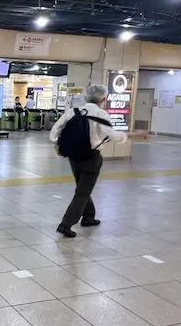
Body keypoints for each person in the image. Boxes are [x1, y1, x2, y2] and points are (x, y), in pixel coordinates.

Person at [49, 84, 130, 238]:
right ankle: (66, 224)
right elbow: (112, 135)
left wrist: (60, 144)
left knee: (82, 187)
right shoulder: (101, 114)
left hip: (74, 157)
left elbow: (54, 132)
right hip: (91, 157)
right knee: (82, 192)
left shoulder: (72, 112)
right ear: (103, 99)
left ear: (86, 97)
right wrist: (124, 137)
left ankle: (88, 217)